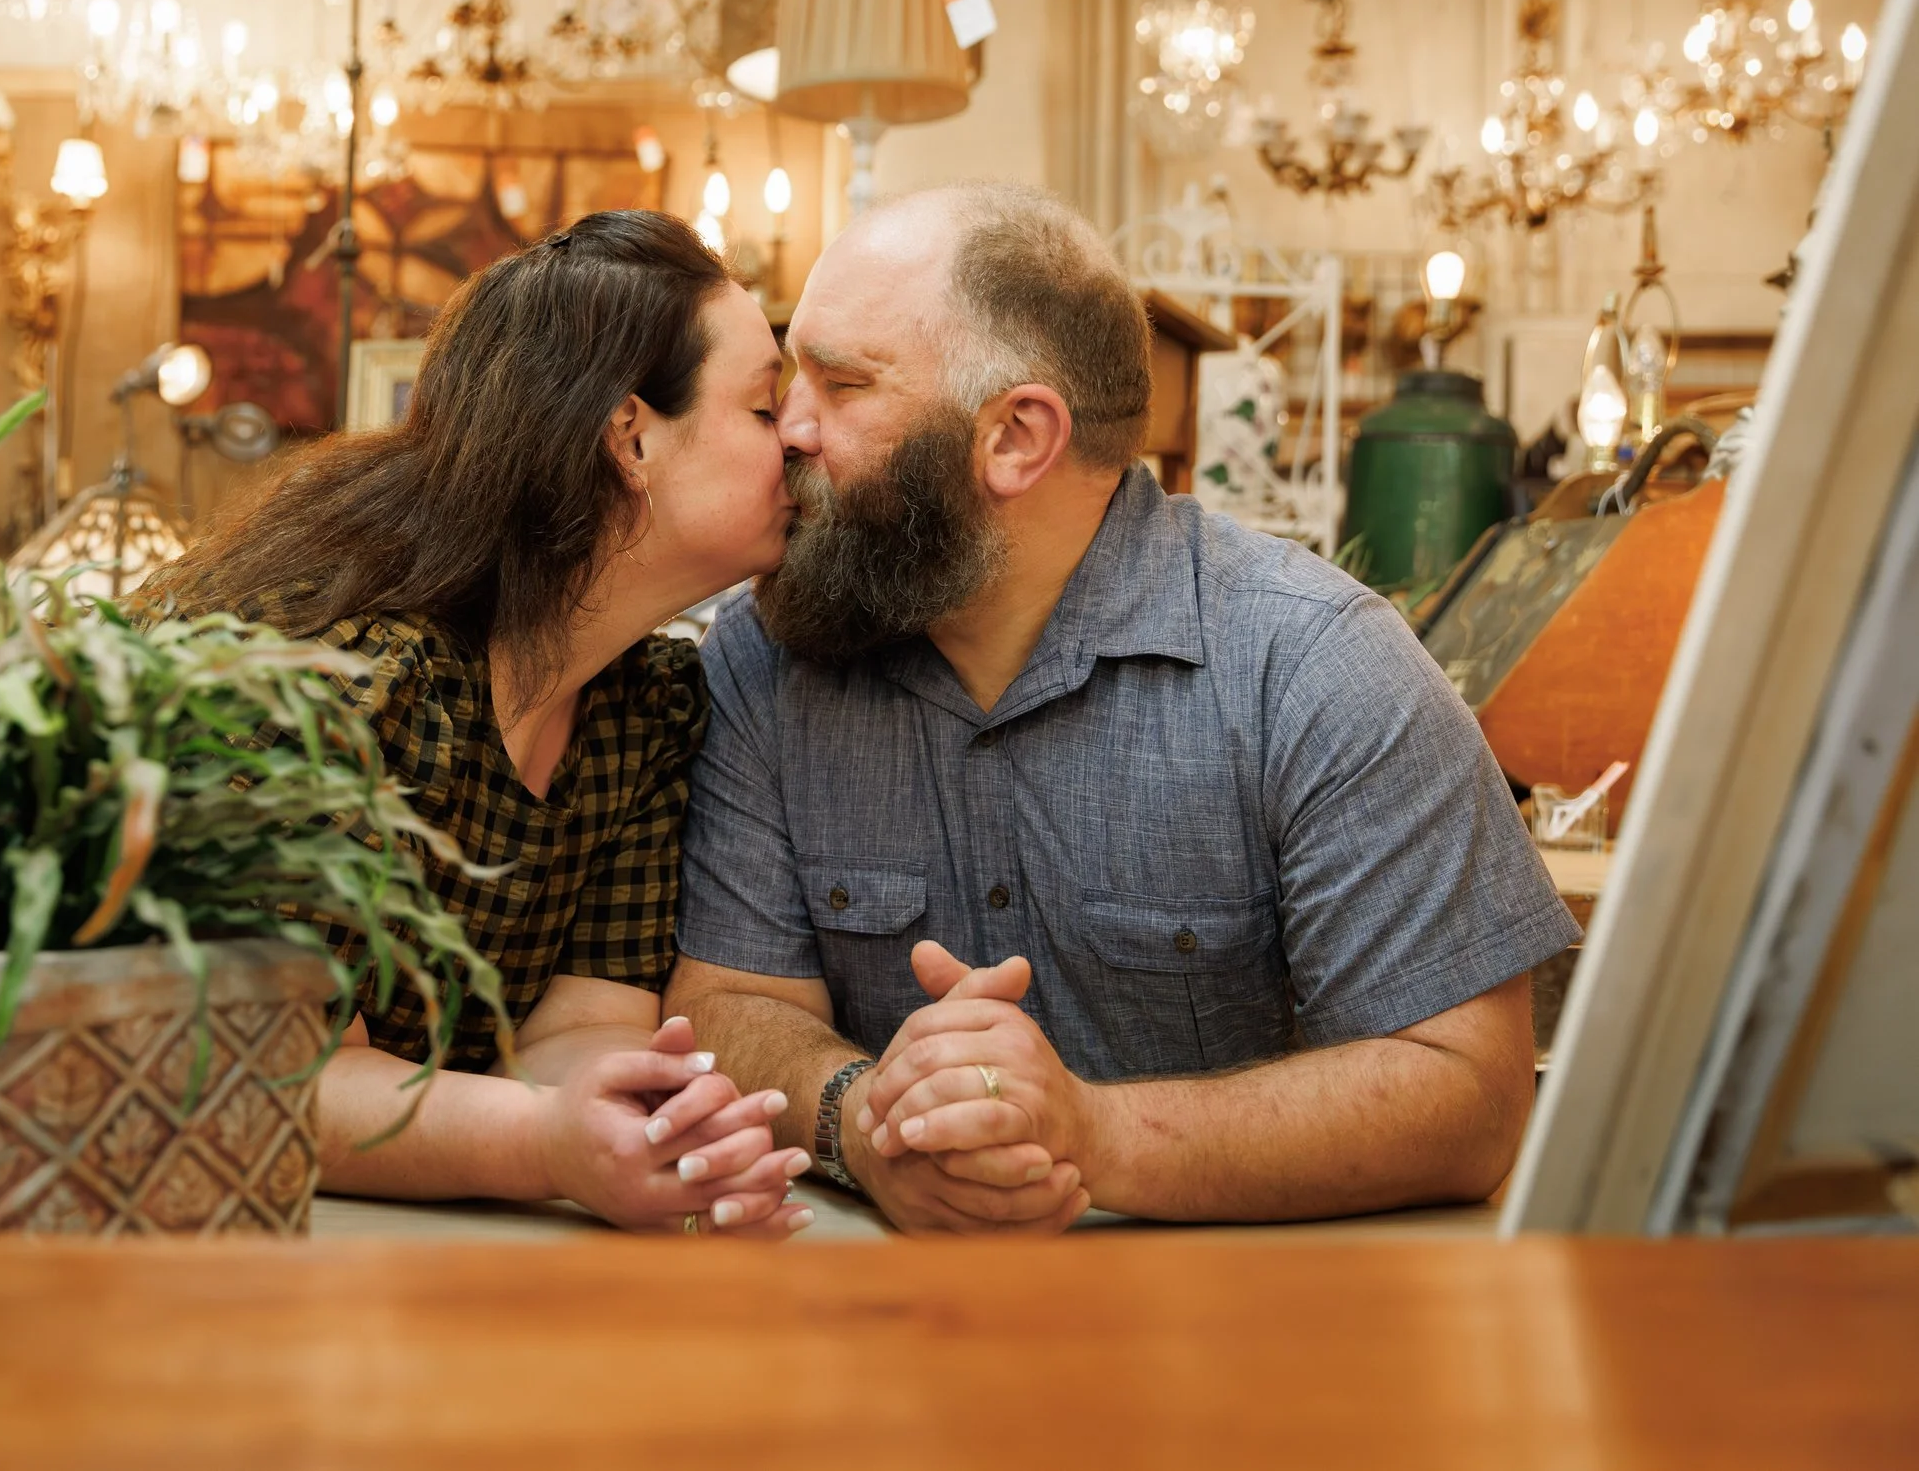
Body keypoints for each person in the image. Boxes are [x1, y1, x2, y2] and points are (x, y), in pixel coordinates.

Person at [665, 183, 1581, 1232]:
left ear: (1015, 436)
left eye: (841, 383)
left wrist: (1092, 1135)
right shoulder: (767, 658)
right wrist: (860, 1117)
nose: (787, 427)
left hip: (1254, 1346)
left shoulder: (1317, 665)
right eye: (792, 378)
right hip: (878, 1330)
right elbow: (727, 1004)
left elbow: (1469, 1096)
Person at [142, 210, 814, 1236]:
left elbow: (583, 1023)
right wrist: (548, 1142)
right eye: (768, 407)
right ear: (631, 436)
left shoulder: (646, 707)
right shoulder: (360, 678)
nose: (803, 436)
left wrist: (636, 1121)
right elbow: (270, 1072)